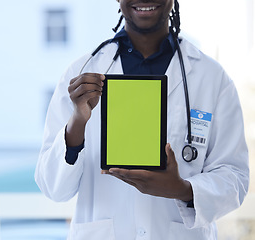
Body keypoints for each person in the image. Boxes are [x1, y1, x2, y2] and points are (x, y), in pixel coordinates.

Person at [34, 0, 250, 239]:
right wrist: (77, 122)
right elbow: (54, 188)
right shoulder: (81, 74)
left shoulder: (211, 78)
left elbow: (235, 178)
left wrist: (183, 190)